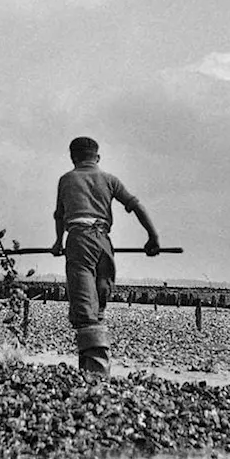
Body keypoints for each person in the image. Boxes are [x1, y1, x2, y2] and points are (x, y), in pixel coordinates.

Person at [51, 137, 161, 378]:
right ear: (97, 158)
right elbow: (137, 206)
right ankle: (93, 370)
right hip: (104, 243)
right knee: (98, 304)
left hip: (79, 239)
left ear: (72, 158)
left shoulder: (67, 179)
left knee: (84, 310)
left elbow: (60, 216)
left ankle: (96, 377)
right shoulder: (109, 180)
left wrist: (59, 242)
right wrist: (153, 237)